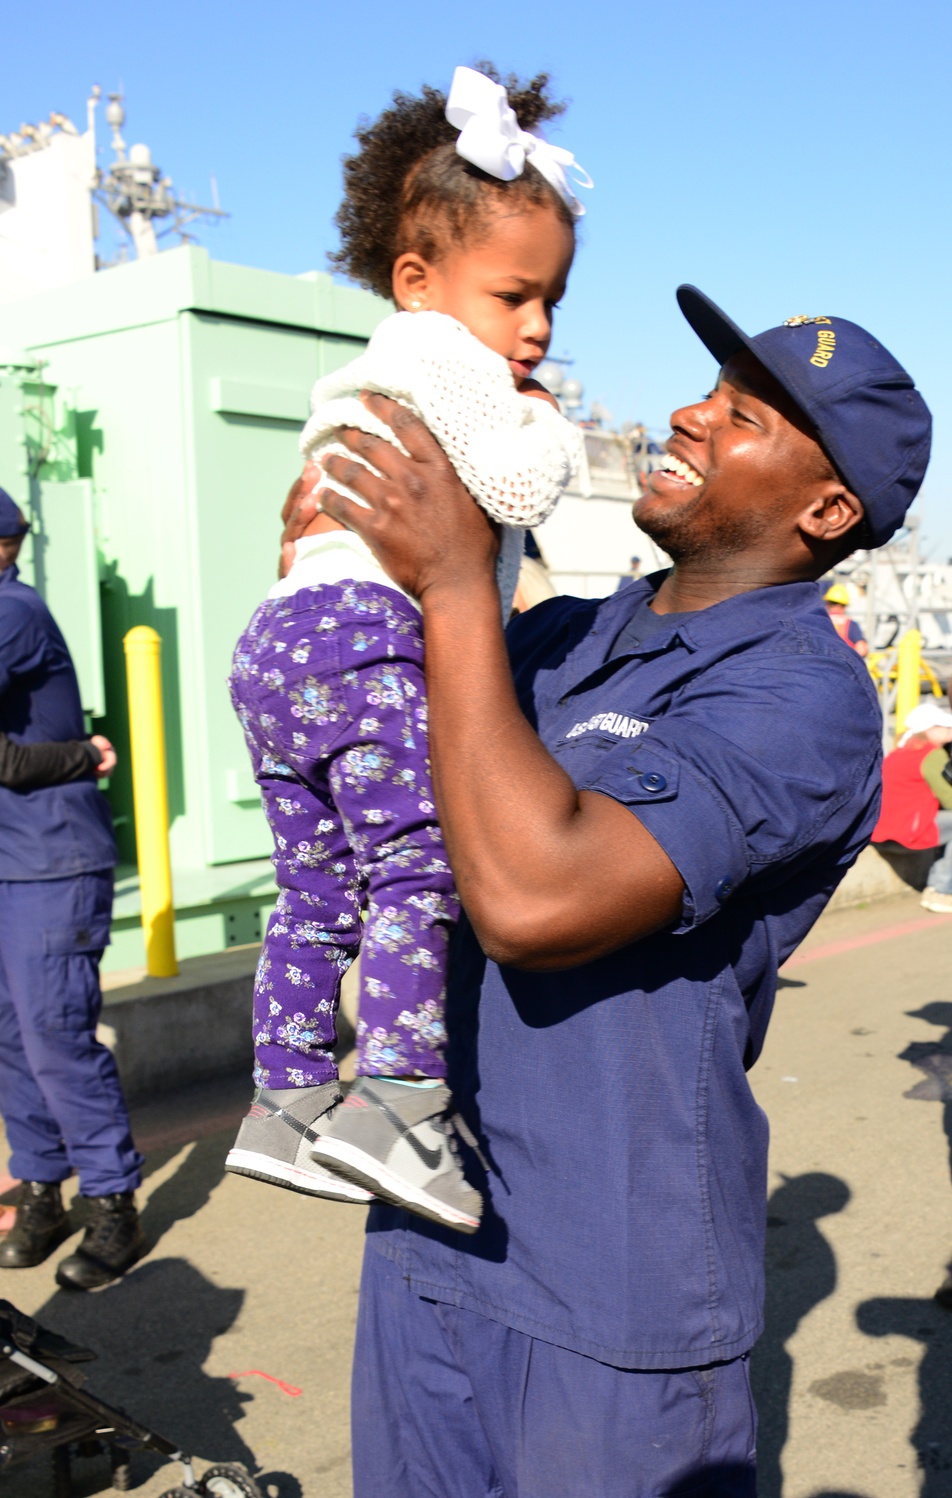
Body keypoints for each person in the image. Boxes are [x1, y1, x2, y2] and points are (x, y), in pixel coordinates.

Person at [282, 287, 931, 1494]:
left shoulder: (804, 697)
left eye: (741, 416)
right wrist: (332, 567)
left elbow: (535, 902)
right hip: (432, 1222)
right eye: (708, 388)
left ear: (827, 509)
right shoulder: (561, 634)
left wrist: (460, 587)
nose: (685, 414)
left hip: (609, 1278)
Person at [225, 66, 587, 1233]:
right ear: (419, 283)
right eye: (515, 295)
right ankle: (395, 1102)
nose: (533, 328)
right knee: (418, 869)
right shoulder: (440, 358)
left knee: (313, 886)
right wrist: (551, 426)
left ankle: (284, 1100)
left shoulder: (364, 373)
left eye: (553, 304)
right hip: (364, 638)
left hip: (279, 643)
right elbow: (519, 480)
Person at [0, 478, 145, 1290]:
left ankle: (111, 1202)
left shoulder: (10, 612)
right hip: (3, 864)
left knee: (56, 1034)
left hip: (52, 862)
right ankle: (42, 1186)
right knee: (0, 1038)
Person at [871, 700, 952, 911]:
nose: (949, 730)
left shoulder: (900, 752)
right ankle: (941, 891)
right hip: (908, 831)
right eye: (944, 727)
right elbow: (949, 800)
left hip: (882, 831)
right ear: (930, 730)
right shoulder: (931, 754)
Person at [823, 581, 869, 656]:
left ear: (828, 604)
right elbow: (862, 649)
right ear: (845, 606)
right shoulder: (850, 624)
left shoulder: (821, 622)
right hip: (844, 665)